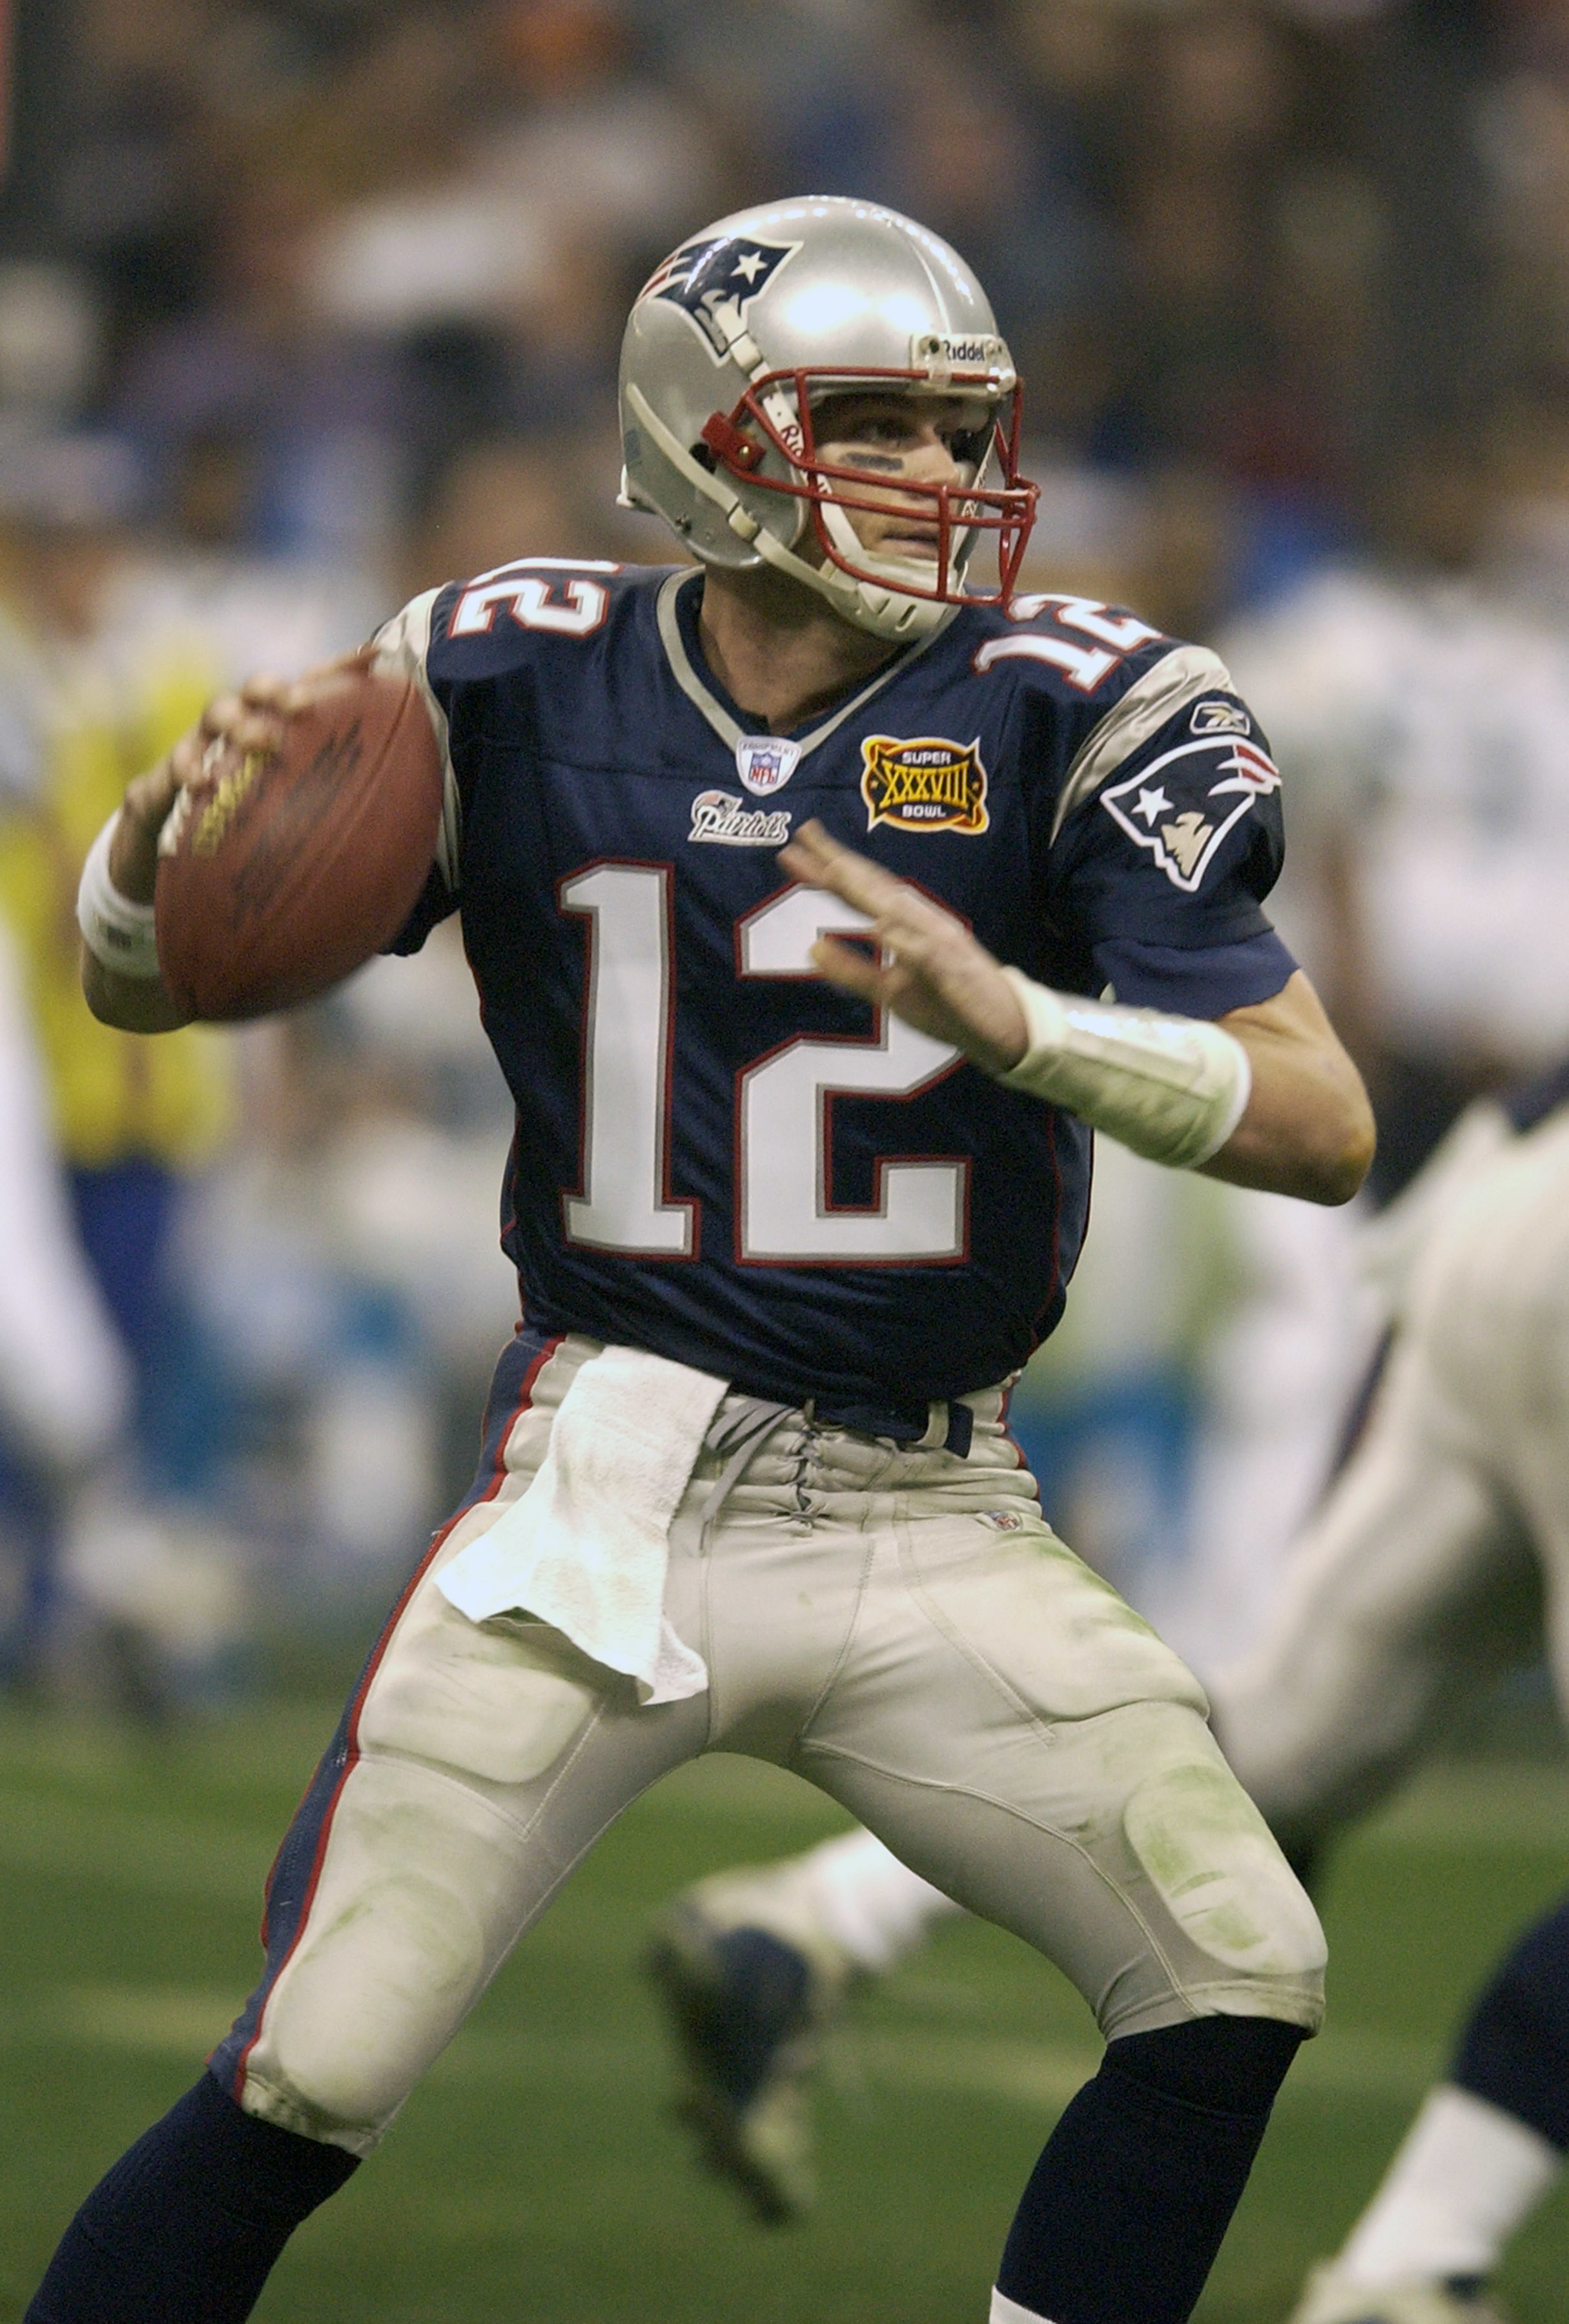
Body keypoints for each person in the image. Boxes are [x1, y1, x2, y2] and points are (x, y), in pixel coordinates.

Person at [32, 196, 1371, 2324]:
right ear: (710, 440)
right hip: (608, 1492)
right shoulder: (505, 662)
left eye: (962, 431)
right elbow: (142, 990)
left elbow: (1321, 1119)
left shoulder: (1071, 701)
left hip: (939, 1502)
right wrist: (149, 850)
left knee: (1237, 1970)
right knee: (315, 2064)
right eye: (878, 424)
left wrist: (1017, 1019)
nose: (943, 478)